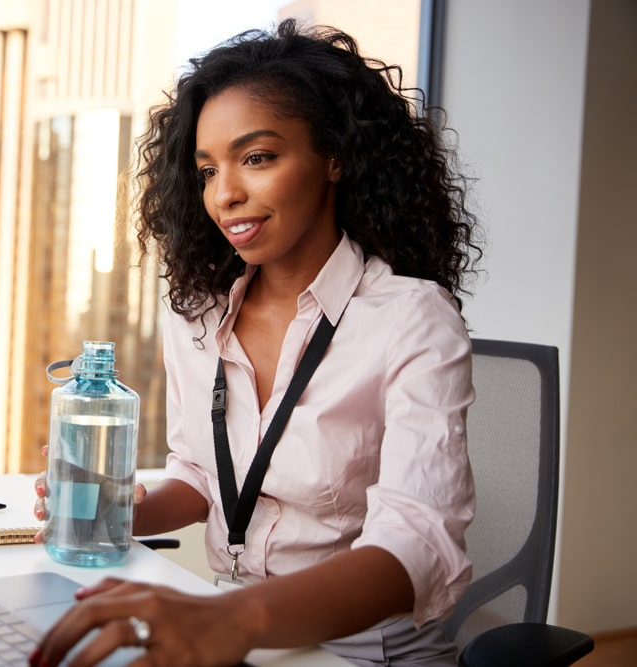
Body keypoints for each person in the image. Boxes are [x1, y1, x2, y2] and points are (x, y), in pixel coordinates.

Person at [31, 18, 481, 667]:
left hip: (358, 651)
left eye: (258, 157)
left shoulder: (411, 319)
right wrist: (123, 509)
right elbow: (199, 471)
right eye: (208, 170)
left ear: (334, 156)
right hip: (231, 628)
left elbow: (414, 545)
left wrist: (231, 618)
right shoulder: (198, 315)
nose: (226, 194)